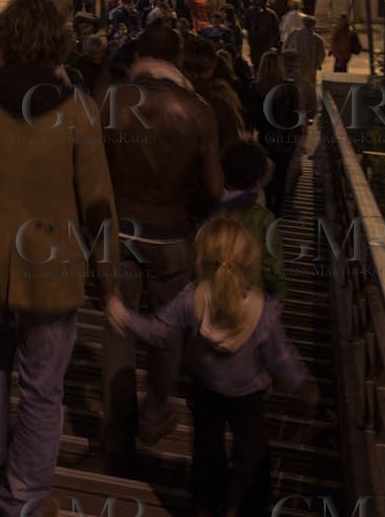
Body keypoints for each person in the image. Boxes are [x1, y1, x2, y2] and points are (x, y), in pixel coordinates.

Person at [0, 0, 118, 517]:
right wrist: (111, 278)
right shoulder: (77, 108)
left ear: (5, 39)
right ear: (57, 42)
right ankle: (23, 494)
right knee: (43, 387)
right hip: (52, 270)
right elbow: (97, 201)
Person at [106, 217, 317, 517]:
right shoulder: (264, 310)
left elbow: (158, 331)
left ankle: (205, 504)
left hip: (205, 390)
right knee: (252, 456)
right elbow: (280, 357)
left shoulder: (192, 298)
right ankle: (242, 506)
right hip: (250, 397)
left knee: (206, 451)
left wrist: (124, 315)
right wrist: (302, 385)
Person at [99, 24, 221, 475]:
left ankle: (116, 431)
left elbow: (92, 169)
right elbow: (213, 189)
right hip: (171, 235)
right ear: (179, 59)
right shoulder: (197, 111)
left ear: (140, 54)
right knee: (167, 330)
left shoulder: (113, 100)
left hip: (119, 231)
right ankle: (155, 409)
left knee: (118, 329)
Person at [210, 139, 286, 300]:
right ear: (257, 178)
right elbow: (272, 262)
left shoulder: (210, 210)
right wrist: (279, 293)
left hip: (213, 290)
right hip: (249, 294)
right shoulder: (262, 218)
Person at [250, 52, 300, 221]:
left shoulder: (254, 88)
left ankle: (262, 210)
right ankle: (276, 213)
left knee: (262, 178)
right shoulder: (290, 89)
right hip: (283, 141)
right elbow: (296, 120)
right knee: (280, 177)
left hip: (262, 141)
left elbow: (251, 117)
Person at [283, 15, 327, 120]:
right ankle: (309, 113)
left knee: (294, 89)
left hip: (293, 68)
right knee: (309, 91)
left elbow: (285, 48)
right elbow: (321, 55)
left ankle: (293, 111)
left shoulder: (294, 34)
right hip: (309, 70)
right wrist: (317, 65)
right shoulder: (317, 39)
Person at [244, 0, 279, 67]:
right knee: (266, 62)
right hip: (266, 42)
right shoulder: (271, 14)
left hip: (254, 41)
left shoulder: (250, 11)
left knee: (255, 62)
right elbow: (276, 30)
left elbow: (245, 26)